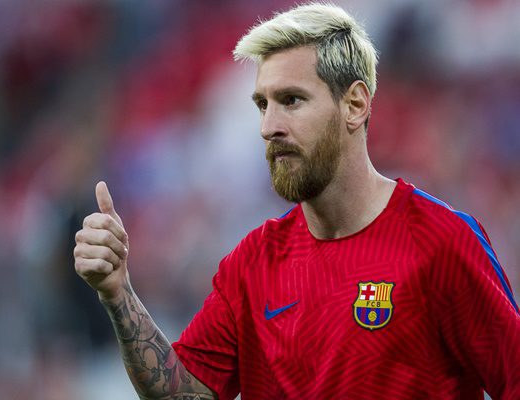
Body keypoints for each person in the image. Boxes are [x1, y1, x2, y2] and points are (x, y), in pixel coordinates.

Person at [73, 3, 520, 399]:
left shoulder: (442, 242)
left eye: (291, 100)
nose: (269, 126)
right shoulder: (252, 264)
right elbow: (184, 394)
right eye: (262, 104)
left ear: (355, 105)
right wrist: (119, 292)